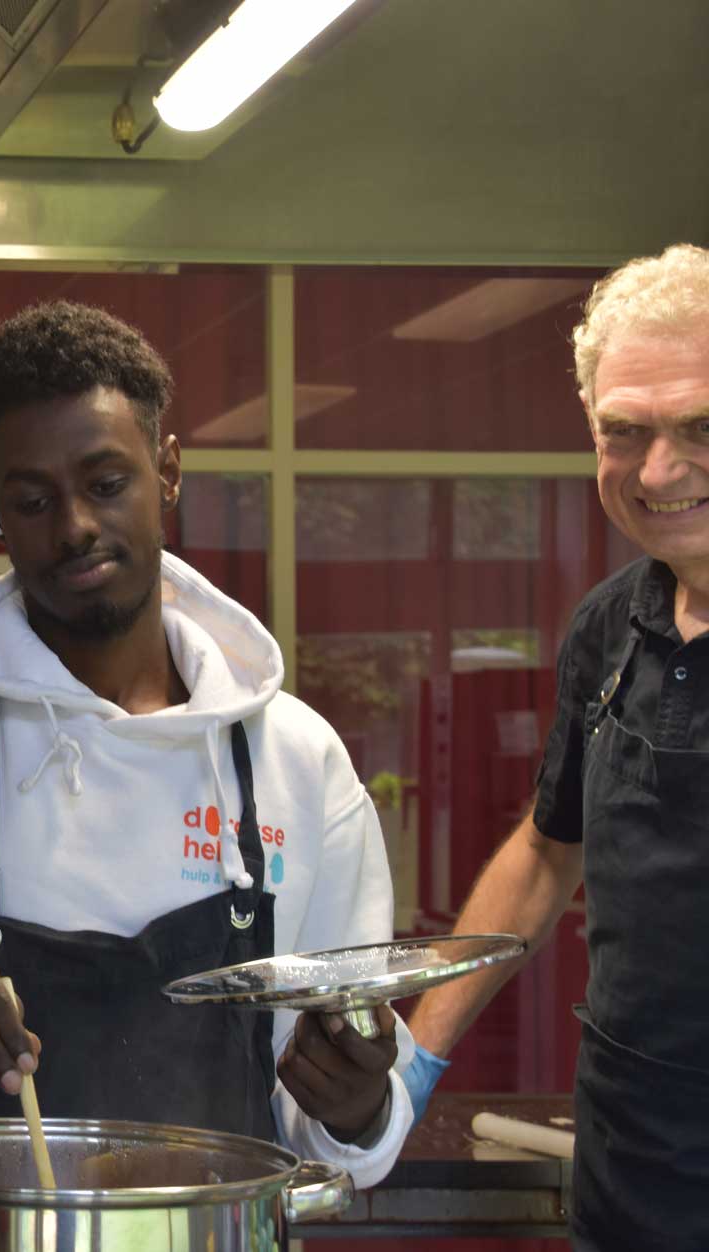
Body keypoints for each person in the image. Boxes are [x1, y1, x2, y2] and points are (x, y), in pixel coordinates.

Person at [0, 299, 414, 1187]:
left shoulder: (296, 759)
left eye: (105, 484)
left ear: (166, 471)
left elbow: (346, 1117)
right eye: (32, 499)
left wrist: (360, 1105)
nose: (73, 529)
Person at [404, 243, 709, 1251]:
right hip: (629, 1182)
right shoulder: (607, 630)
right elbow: (544, 853)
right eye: (623, 432)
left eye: (699, 427)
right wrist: (409, 1068)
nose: (657, 470)